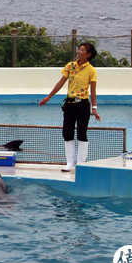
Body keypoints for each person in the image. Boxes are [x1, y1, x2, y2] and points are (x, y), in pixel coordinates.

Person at [39, 42, 100, 171]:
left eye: (82, 50)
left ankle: (81, 163)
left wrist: (94, 108)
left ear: (88, 54)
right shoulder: (70, 66)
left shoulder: (91, 70)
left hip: (83, 104)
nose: (79, 51)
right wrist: (48, 97)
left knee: (82, 133)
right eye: (79, 49)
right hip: (69, 103)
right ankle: (70, 162)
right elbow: (61, 82)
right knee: (67, 132)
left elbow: (93, 90)